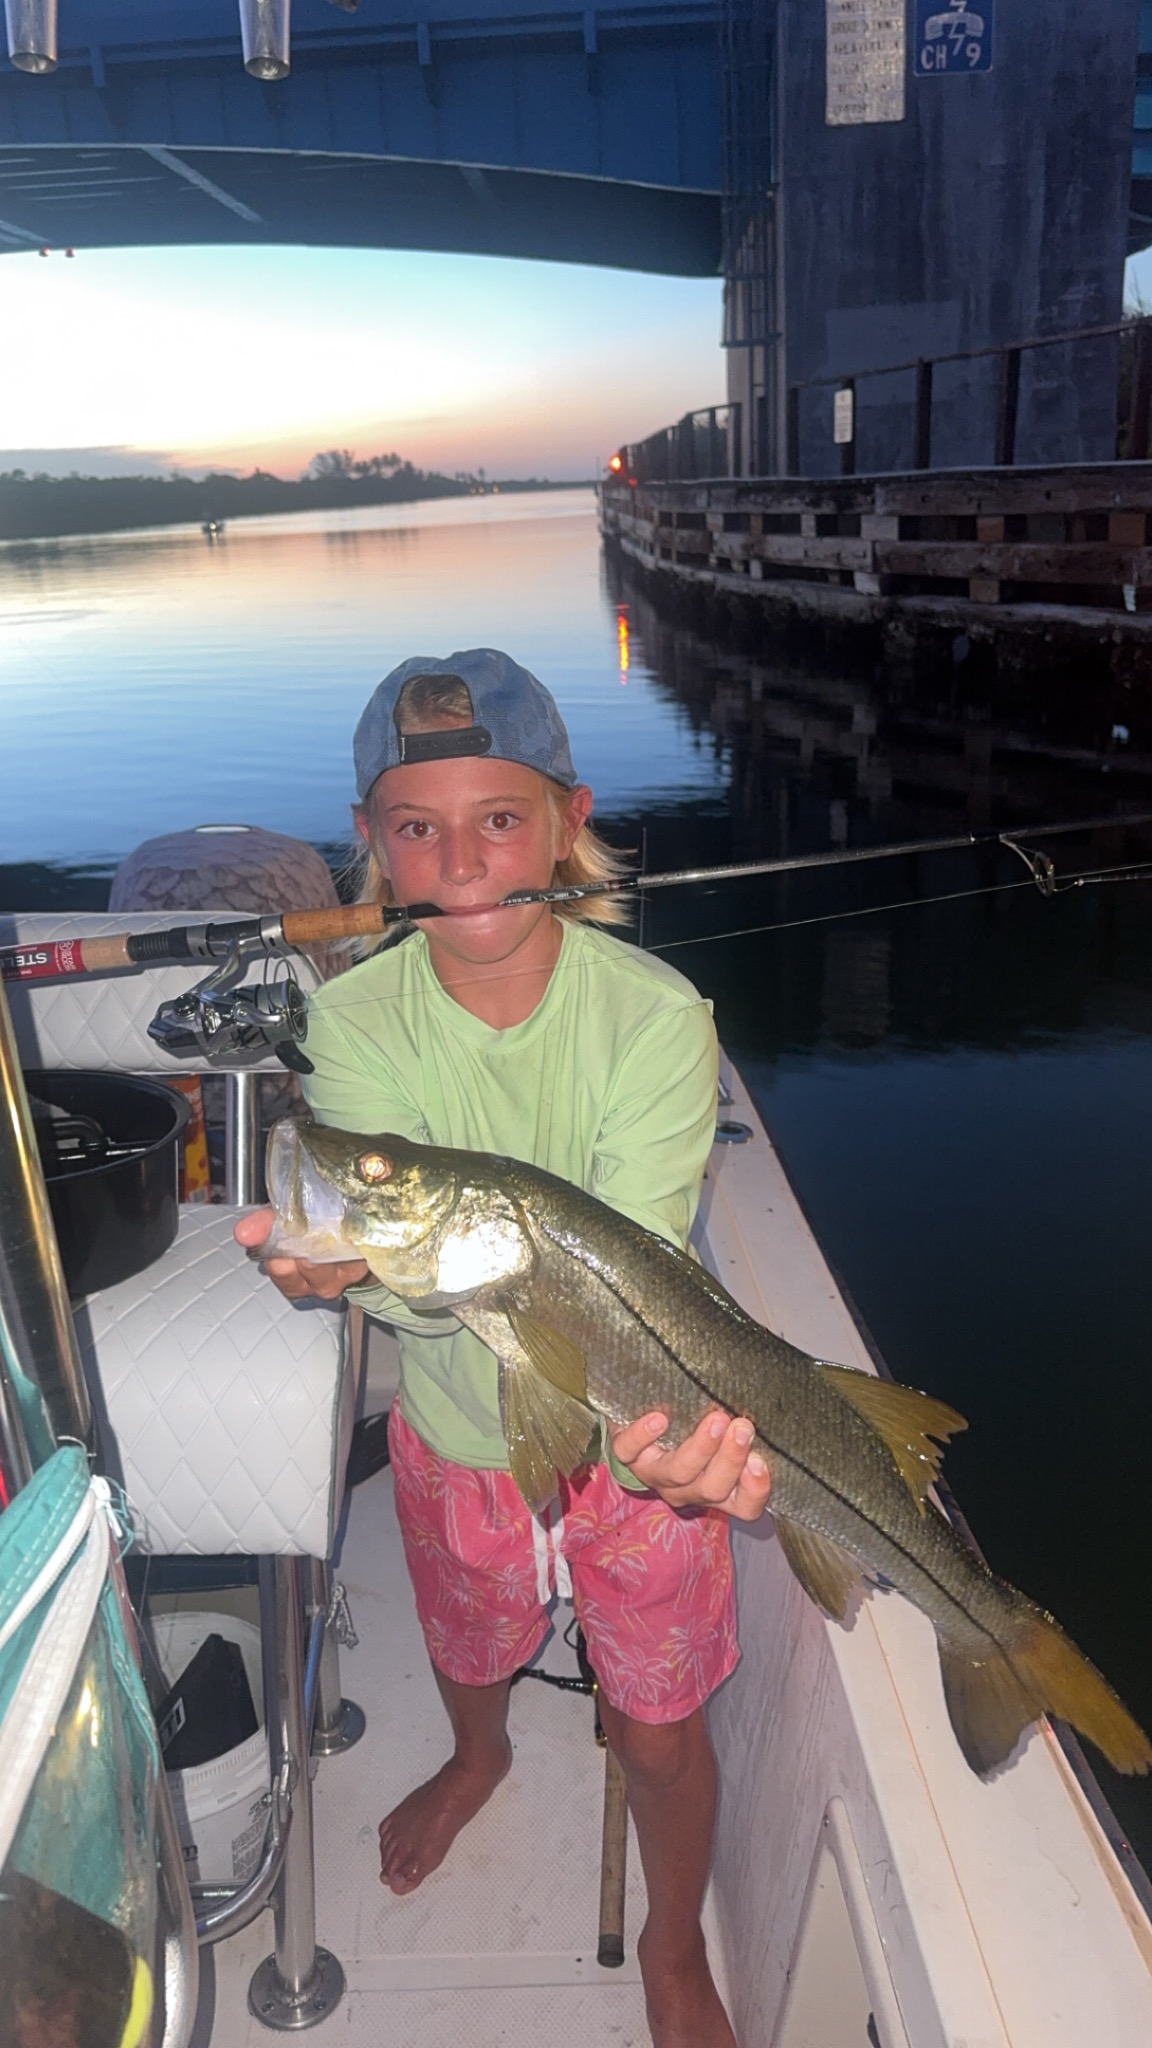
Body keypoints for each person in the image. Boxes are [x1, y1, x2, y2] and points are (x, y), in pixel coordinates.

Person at [235, 648, 771, 2048]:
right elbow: (413, 1265)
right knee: (469, 1643)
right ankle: (478, 1757)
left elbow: (627, 1282)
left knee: (658, 1731)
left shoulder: (655, 1018)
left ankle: (671, 1941)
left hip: (638, 1448)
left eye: (500, 820)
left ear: (566, 822)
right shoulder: (351, 1021)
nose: (462, 862)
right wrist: (357, 1274)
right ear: (372, 840)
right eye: (418, 827)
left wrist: (656, 1453)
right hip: (456, 1432)